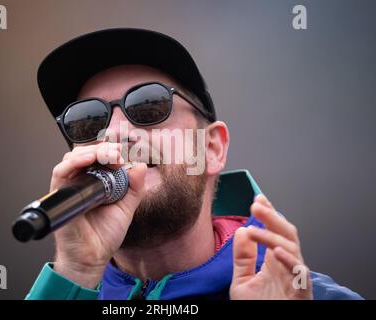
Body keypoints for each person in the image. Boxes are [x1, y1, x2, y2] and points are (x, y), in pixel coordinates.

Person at [26, 28, 362, 300]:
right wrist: (76, 273)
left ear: (212, 148)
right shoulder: (68, 287)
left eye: (148, 105)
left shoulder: (313, 295)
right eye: (88, 120)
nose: (114, 132)